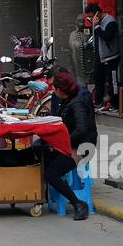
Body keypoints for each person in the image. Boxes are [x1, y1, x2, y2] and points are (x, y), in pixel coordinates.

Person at [36, 71, 97, 220]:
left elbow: (81, 129)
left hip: (82, 147)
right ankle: (46, 192)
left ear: (59, 90)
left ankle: (78, 204)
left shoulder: (77, 102)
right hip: (70, 142)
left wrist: (63, 143)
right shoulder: (69, 97)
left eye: (54, 89)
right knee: (38, 147)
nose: (53, 92)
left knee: (51, 174)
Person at [84, 4, 120, 114]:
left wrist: (97, 26)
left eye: (91, 16)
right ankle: (98, 102)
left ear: (97, 13)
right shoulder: (96, 23)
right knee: (98, 79)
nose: (91, 19)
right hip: (100, 56)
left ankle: (115, 104)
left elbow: (107, 38)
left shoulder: (110, 22)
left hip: (111, 57)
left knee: (112, 81)